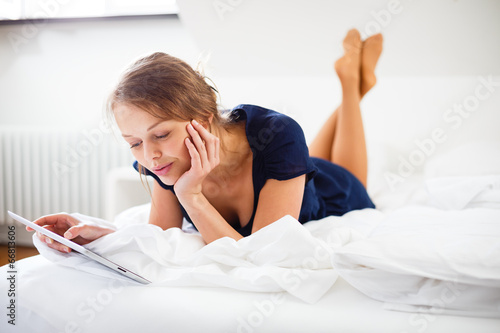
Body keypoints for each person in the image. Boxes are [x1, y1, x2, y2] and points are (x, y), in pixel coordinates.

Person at [29, 29, 382, 251]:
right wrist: (96, 233)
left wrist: (192, 197)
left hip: (334, 193)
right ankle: (356, 84)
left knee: (343, 172)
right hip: (291, 170)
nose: (150, 157)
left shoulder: (280, 135)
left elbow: (260, 256)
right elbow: (159, 236)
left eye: (161, 134)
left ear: (203, 118)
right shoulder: (163, 162)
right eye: (134, 143)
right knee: (310, 161)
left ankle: (352, 86)